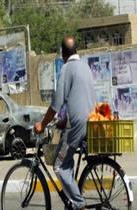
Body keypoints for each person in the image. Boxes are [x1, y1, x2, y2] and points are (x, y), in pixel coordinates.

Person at [34, 35, 96, 210]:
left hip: (77, 126)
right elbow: (78, 101)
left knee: (59, 165)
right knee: (67, 159)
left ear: (63, 54)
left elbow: (56, 104)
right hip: (92, 123)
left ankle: (78, 202)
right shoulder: (85, 67)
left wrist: (42, 124)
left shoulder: (67, 69)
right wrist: (63, 121)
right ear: (77, 50)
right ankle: (74, 199)